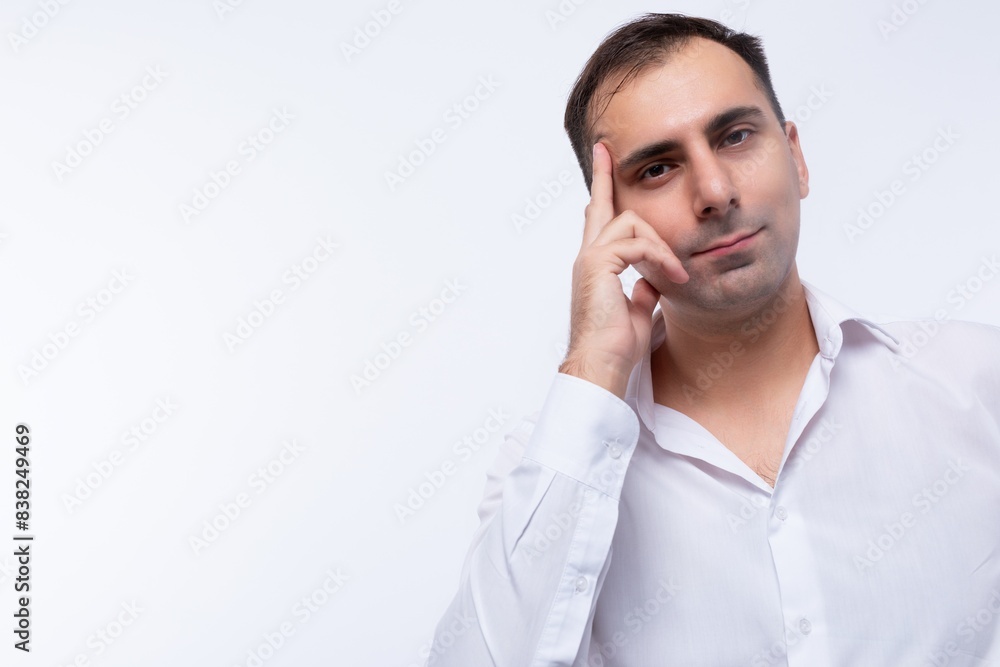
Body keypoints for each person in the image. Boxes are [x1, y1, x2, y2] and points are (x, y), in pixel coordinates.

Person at [426, 13, 1000, 666]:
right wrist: (593, 368)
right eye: (658, 168)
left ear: (797, 157)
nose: (716, 192)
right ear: (609, 220)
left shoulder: (977, 381)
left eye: (734, 136)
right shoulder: (550, 463)